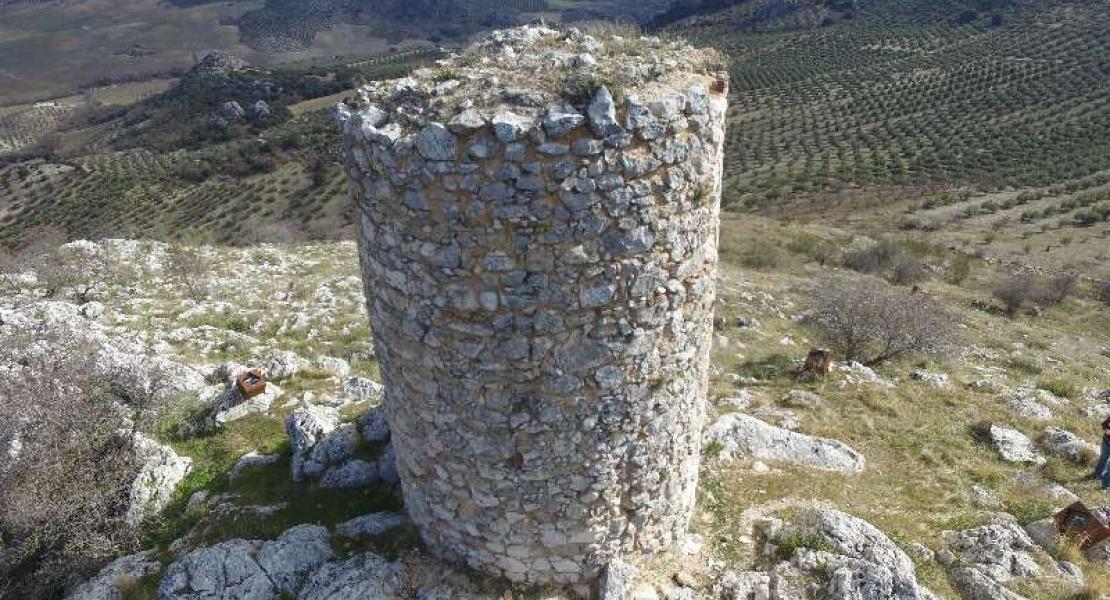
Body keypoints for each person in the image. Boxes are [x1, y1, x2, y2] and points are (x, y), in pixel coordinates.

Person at [1095, 416, 1110, 490]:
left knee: (1103, 459)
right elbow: (1104, 424)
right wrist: (1107, 430)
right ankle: (1105, 485)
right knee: (1103, 459)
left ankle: (1099, 475)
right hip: (1106, 443)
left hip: (1106, 442)